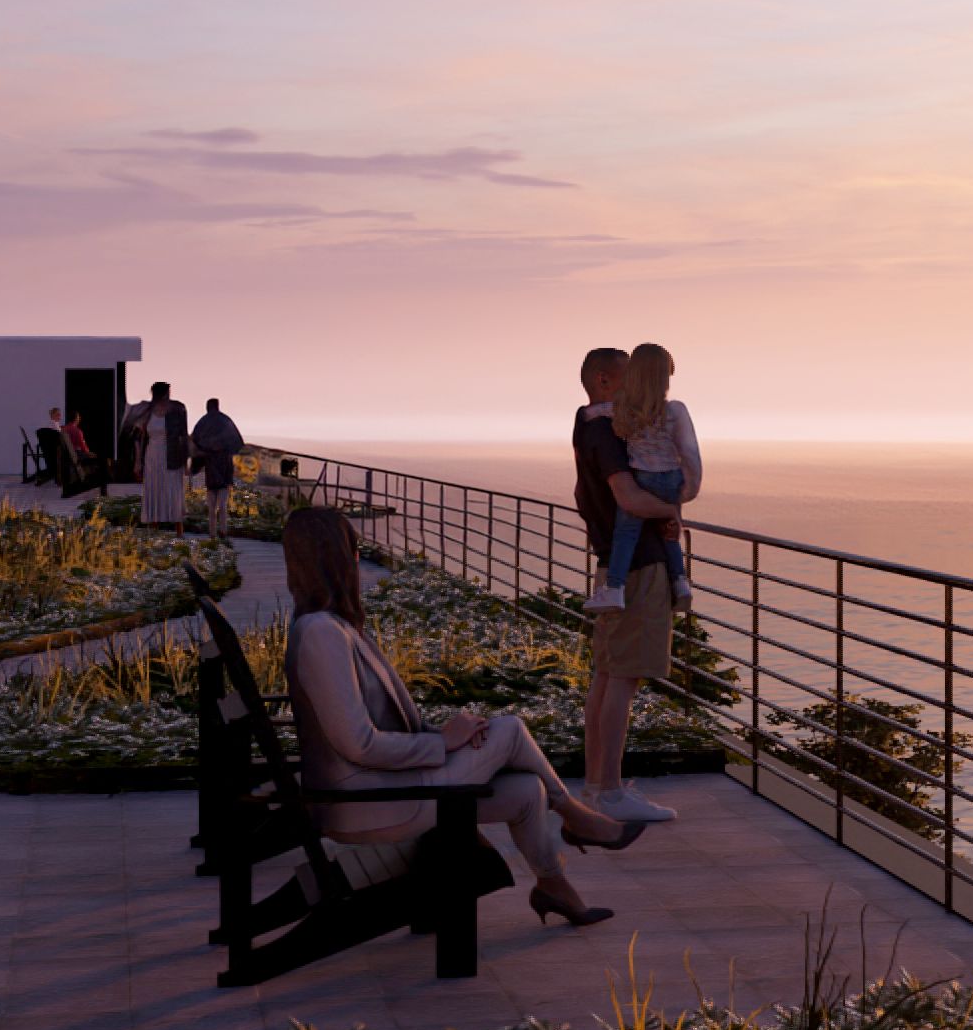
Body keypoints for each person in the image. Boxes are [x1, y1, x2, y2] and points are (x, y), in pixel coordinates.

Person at [279, 506, 641, 926]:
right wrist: (443, 742)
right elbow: (358, 743)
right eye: (354, 550)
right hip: (369, 801)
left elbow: (379, 728)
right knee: (508, 730)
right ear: (340, 559)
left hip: (385, 788)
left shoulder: (334, 627)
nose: (359, 561)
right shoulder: (323, 633)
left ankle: (553, 885)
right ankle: (577, 818)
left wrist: (449, 734)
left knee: (526, 791)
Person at [572, 345, 684, 826]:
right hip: (638, 567)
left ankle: (599, 786)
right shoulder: (607, 433)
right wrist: (670, 510)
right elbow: (628, 495)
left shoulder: (587, 425)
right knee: (624, 679)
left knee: (607, 675)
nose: (639, 387)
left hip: (620, 566)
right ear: (603, 380)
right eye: (627, 378)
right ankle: (611, 793)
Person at [588, 343, 702, 613]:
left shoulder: (625, 410)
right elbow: (689, 451)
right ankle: (681, 582)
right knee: (669, 533)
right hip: (670, 478)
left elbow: (596, 412)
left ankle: (614, 588)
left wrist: (586, 414)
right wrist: (688, 489)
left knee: (626, 533)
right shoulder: (674, 410)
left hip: (642, 477)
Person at [129, 381, 188, 528]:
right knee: (154, 489)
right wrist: (137, 462)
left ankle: (178, 528)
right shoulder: (148, 411)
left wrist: (185, 461)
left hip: (173, 455)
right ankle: (154, 526)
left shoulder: (178, 408)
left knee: (174, 490)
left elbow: (184, 436)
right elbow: (137, 438)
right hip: (152, 454)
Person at [189, 396, 245, 536]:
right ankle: (223, 530)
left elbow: (194, 442)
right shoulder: (226, 421)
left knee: (212, 504)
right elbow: (238, 443)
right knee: (223, 504)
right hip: (225, 466)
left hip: (211, 466)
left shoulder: (203, 422)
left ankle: (212, 532)